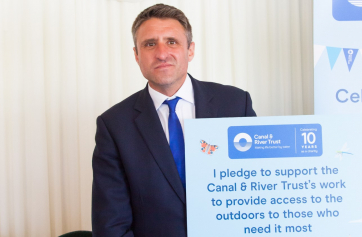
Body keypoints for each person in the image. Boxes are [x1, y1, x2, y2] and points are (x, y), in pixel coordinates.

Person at [92, 3, 256, 237]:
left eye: (172, 41)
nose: (161, 53)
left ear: (190, 50)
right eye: (150, 44)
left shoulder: (236, 104)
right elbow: (111, 224)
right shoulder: (114, 125)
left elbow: (258, 192)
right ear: (136, 55)